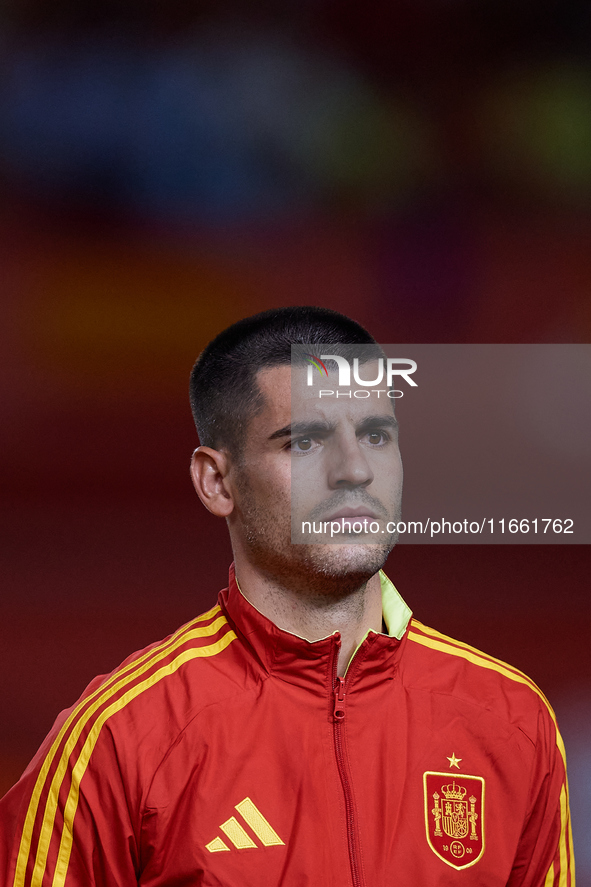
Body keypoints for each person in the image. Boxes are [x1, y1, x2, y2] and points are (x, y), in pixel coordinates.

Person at [0, 307, 574, 886]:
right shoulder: (120, 738)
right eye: (304, 442)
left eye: (376, 435)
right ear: (216, 482)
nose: (355, 470)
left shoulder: (512, 720)